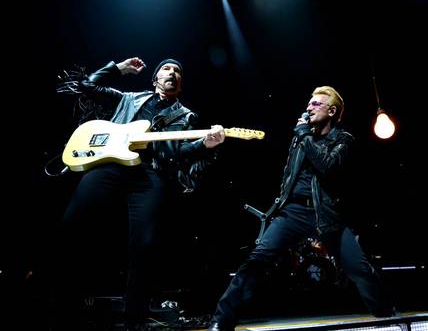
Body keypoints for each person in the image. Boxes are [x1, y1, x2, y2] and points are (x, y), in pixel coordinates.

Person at [53, 57, 225, 331]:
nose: (172, 73)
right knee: (73, 224)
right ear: (155, 78)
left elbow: (177, 153)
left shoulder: (186, 116)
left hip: (149, 174)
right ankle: (57, 305)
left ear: (180, 85)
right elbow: (86, 85)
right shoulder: (130, 99)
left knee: (144, 244)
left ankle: (136, 318)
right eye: (167, 69)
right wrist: (117, 69)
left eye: (178, 71)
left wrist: (205, 144)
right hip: (110, 164)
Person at [207, 86, 396, 331]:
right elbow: (289, 174)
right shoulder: (300, 137)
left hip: (326, 214)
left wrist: (304, 135)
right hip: (292, 212)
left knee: (357, 267)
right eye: (309, 103)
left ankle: (388, 315)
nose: (309, 107)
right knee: (256, 261)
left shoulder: (342, 138)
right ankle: (222, 320)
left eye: (316, 104)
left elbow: (327, 165)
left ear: (332, 110)